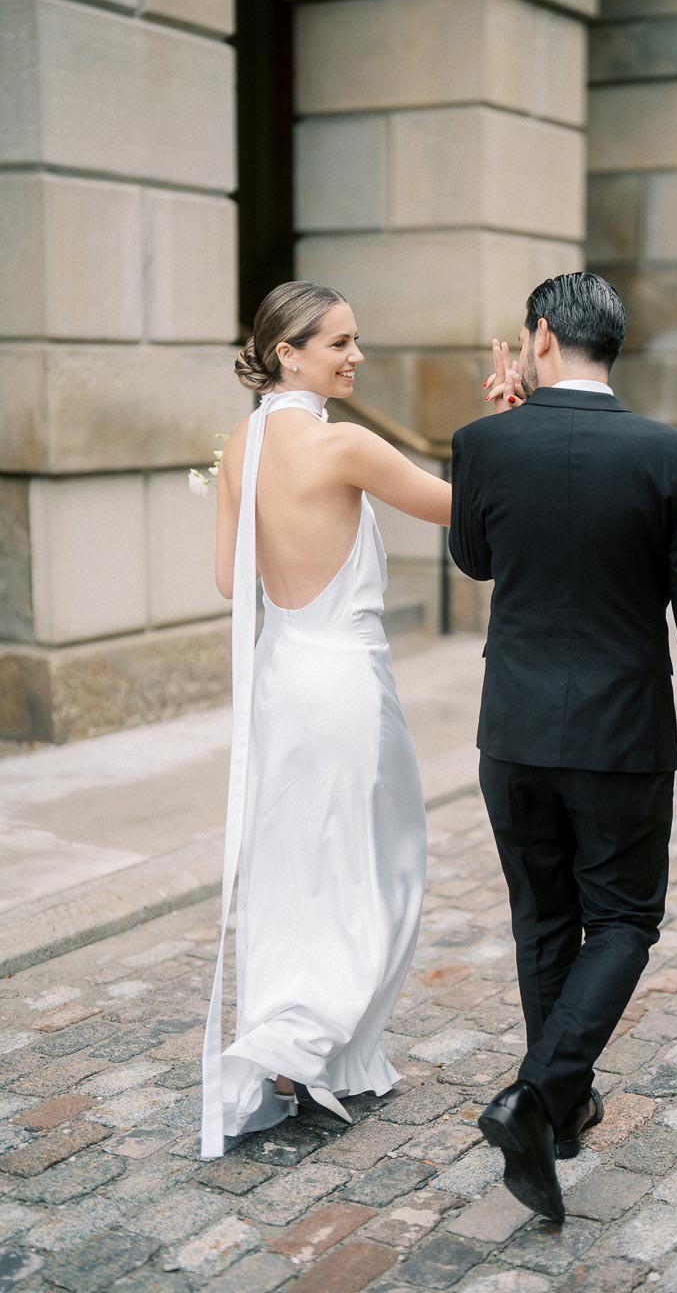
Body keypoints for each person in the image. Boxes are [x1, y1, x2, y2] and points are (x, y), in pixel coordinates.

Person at [450, 272, 677, 1221]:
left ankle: (560, 1113)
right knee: (622, 922)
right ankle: (538, 1102)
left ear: (539, 338)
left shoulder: (484, 442)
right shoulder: (670, 455)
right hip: (622, 733)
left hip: (516, 732)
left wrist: (504, 431)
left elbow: (476, 559)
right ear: (608, 344)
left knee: (545, 921)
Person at [200, 281, 453, 1159]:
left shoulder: (240, 443)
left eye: (355, 340)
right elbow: (455, 505)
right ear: (287, 353)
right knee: (379, 864)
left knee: (296, 862)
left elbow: (234, 585)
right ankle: (298, 1042)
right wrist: (517, 422)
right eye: (338, 343)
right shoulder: (343, 444)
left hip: (281, 674)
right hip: (343, 679)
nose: (355, 357)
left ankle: (315, 1049)